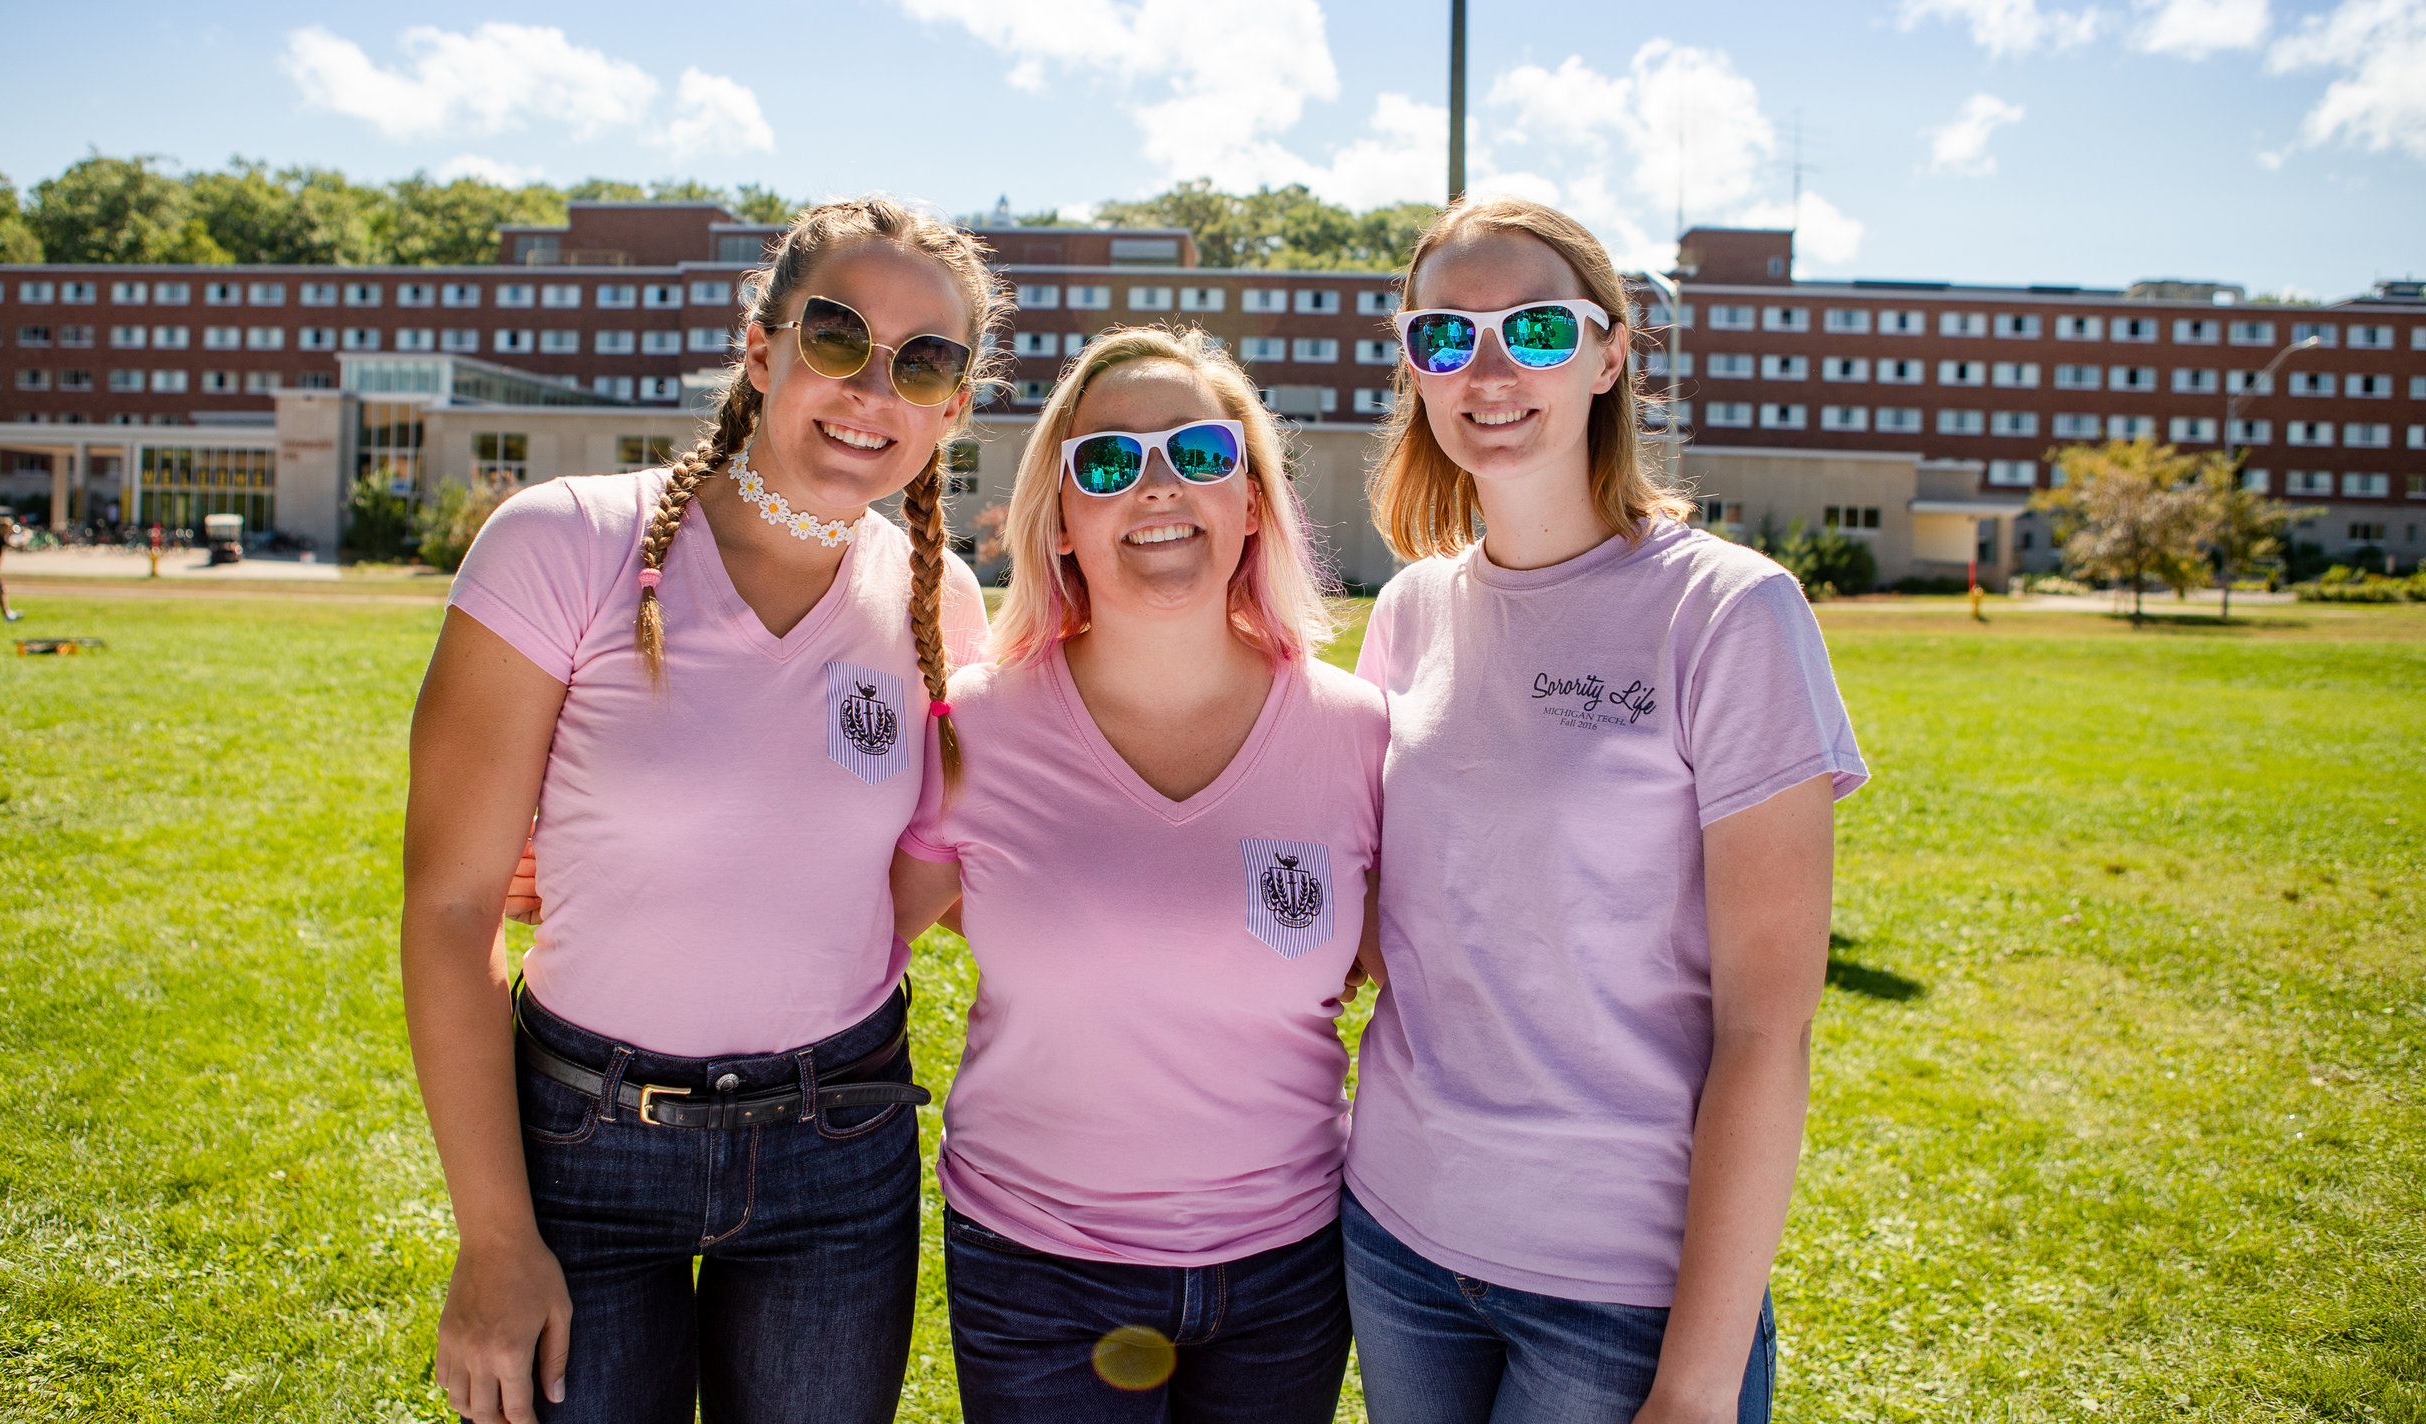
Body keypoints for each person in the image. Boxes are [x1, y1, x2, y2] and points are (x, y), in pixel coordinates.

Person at [402, 198, 1004, 1424]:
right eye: (835, 338)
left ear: (955, 404)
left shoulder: (943, 603)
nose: (871, 390)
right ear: (761, 347)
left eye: (924, 363)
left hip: (840, 1148)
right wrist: (495, 1239)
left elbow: (921, 881)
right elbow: (453, 907)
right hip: (585, 1148)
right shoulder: (563, 543)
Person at [1340, 198, 1869, 1424]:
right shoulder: (1410, 613)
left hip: (1621, 1293)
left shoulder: (1731, 614)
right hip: (1401, 1241)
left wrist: (1693, 1384)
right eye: (1443, 337)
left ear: (1609, 352)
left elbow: (1767, 1034)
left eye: (1533, 329)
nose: (1487, 370)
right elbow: (1392, 924)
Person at [889, 325, 1387, 1424]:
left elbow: (1425, 961)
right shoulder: (977, 726)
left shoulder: (1357, 735)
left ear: (1252, 500)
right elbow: (846, 928)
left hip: (1287, 1271)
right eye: (1108, 463)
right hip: (1035, 1266)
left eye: (1201, 454)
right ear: (1060, 521)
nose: (1157, 486)